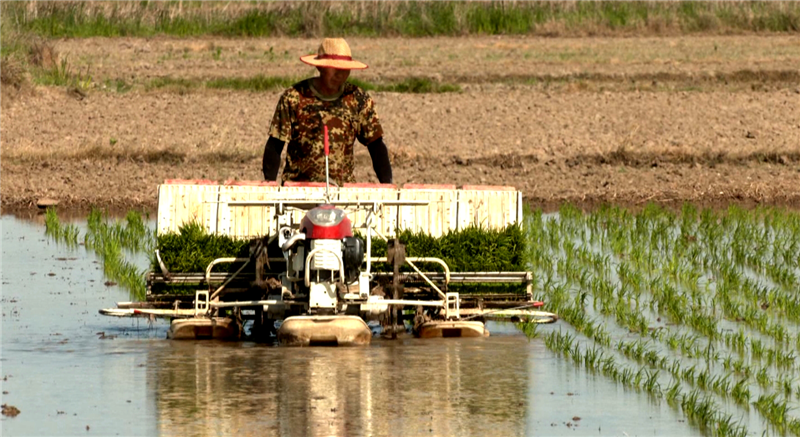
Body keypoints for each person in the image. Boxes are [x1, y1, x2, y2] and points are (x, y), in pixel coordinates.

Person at [262, 38, 393, 185]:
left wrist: (387, 185)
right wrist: (269, 185)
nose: (340, 75)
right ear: (320, 68)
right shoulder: (294, 97)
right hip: (299, 189)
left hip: (342, 192)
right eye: (335, 69)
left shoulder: (358, 99)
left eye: (344, 70)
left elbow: (376, 146)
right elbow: (275, 143)